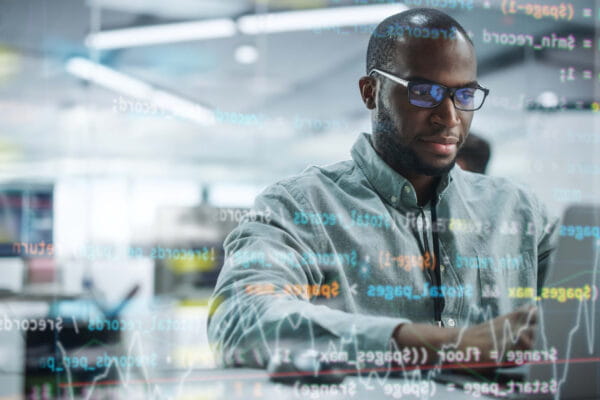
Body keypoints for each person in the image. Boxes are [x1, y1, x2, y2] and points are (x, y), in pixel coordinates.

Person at [207, 8, 558, 371]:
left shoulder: (519, 211)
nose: (450, 116)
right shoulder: (297, 208)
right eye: (425, 92)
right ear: (370, 92)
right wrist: (450, 345)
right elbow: (240, 322)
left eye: (464, 95)